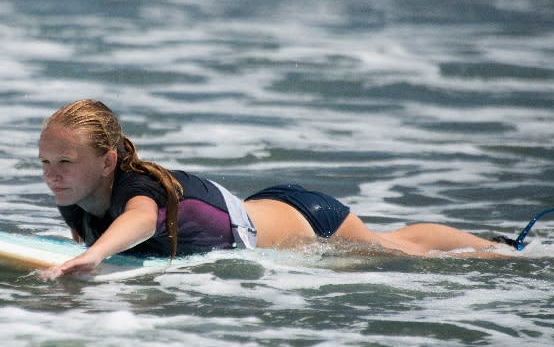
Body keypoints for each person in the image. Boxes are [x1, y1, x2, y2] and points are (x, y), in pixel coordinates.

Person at [38, 99, 503, 278]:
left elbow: (140, 222)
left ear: (108, 160)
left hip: (309, 219)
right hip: (266, 210)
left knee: (400, 249)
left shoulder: (138, 189)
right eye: (44, 162)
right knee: (393, 246)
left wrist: (90, 257)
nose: (52, 174)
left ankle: (496, 248)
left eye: (65, 161)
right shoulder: (78, 197)